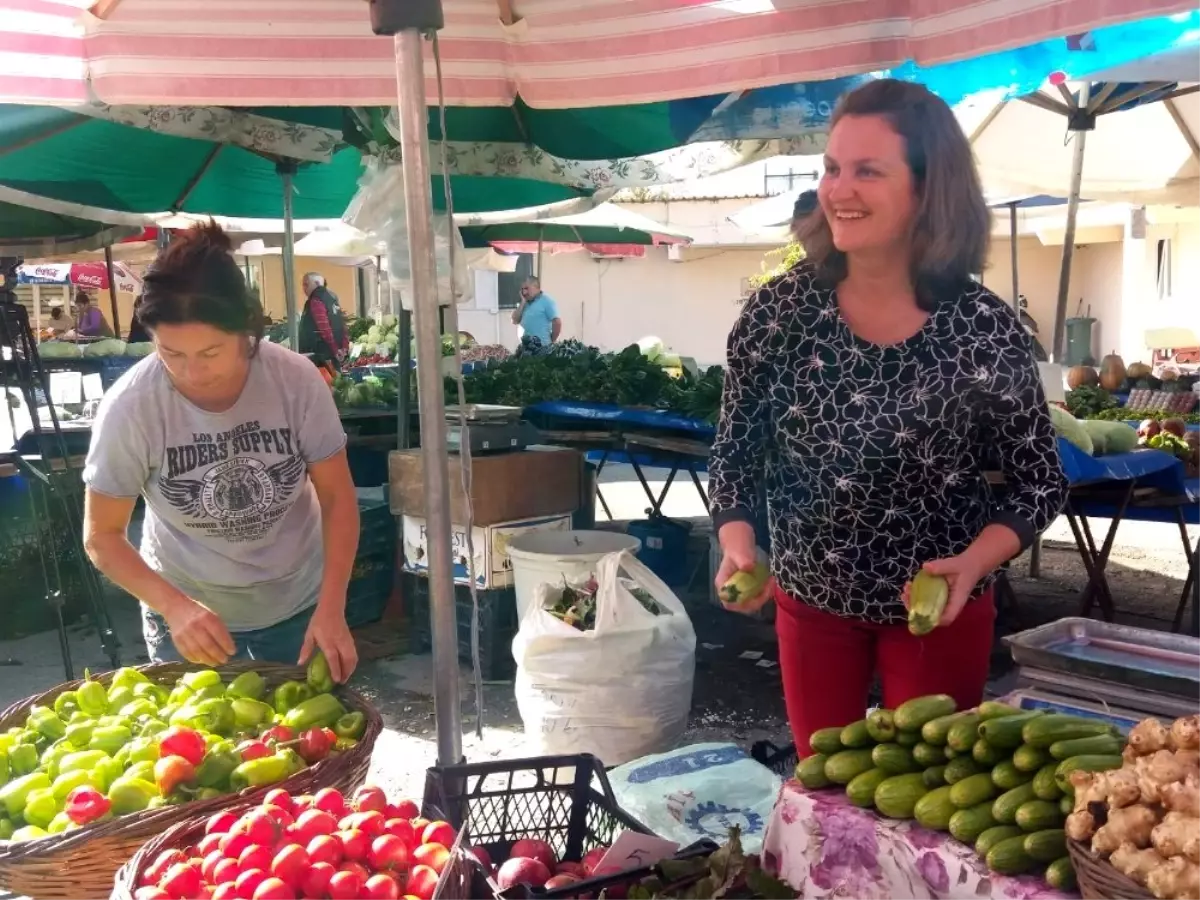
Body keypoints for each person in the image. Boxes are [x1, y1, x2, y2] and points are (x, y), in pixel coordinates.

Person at [709, 79, 1067, 753]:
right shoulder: (779, 313)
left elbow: (1038, 483)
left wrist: (972, 563)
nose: (838, 191)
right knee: (824, 794)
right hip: (811, 600)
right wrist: (737, 543)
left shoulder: (983, 327)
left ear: (929, 189)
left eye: (868, 171)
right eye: (833, 169)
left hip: (940, 611)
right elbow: (734, 452)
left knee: (925, 802)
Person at [81, 223, 361, 681]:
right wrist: (174, 607)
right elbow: (102, 537)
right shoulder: (131, 406)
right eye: (171, 353)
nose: (192, 371)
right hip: (188, 614)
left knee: (312, 745)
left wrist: (332, 607)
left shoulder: (295, 381)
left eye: (210, 352)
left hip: (299, 605)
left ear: (246, 331)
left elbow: (337, 499)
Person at [298, 272, 348, 365]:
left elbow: (324, 327)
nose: (304, 289)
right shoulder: (332, 297)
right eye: (303, 285)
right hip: (333, 353)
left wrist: (335, 350)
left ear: (317, 283)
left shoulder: (316, 300)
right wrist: (344, 347)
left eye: (306, 284)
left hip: (320, 354)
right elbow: (342, 323)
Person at [511, 277, 561, 347]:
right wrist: (522, 302)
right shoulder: (525, 303)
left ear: (536, 287)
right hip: (526, 348)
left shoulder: (547, 301)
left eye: (526, 288)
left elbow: (557, 322)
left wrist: (551, 340)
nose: (524, 292)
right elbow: (515, 320)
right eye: (522, 289)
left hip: (542, 348)